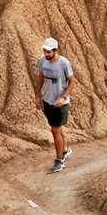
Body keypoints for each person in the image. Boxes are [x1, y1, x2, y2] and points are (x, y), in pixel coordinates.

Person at [33, 37, 75, 173]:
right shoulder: (42, 61)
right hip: (47, 99)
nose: (46, 54)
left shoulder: (64, 63)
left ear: (56, 51)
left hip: (60, 102)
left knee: (55, 130)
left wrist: (63, 98)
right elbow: (41, 77)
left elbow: (72, 81)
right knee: (56, 126)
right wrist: (37, 96)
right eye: (44, 51)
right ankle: (66, 149)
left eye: (49, 52)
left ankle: (59, 161)